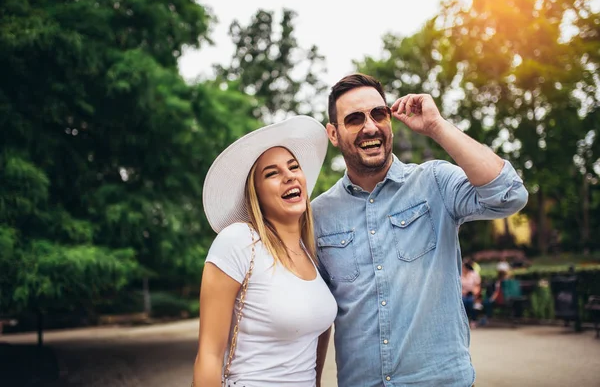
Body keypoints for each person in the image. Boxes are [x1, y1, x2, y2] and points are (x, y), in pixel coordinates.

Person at [312, 73, 529, 386]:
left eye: (378, 114)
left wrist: (437, 127)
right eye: (354, 119)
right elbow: (315, 312)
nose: (370, 127)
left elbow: (509, 195)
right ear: (333, 133)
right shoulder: (319, 214)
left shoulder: (435, 182)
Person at [193, 116, 337, 387]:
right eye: (272, 173)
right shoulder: (238, 241)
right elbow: (208, 357)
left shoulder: (311, 253)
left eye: (294, 167)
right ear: (255, 193)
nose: (289, 176)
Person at [461, 260, 482, 328]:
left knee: (471, 302)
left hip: (472, 294)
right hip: (461, 294)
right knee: (463, 302)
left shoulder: (474, 274)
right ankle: (464, 321)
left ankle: (473, 320)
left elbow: (477, 286)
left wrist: (475, 293)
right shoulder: (459, 275)